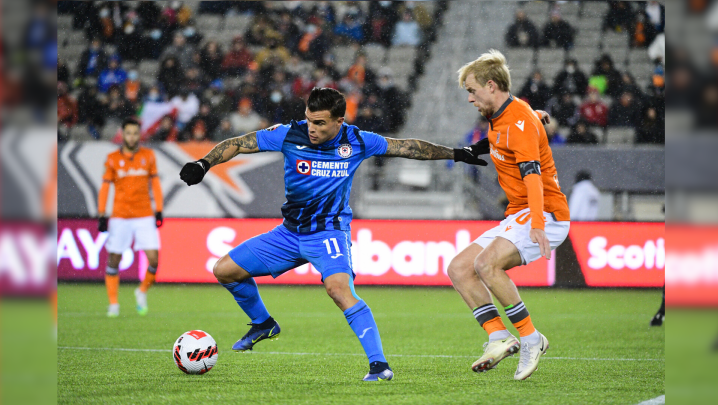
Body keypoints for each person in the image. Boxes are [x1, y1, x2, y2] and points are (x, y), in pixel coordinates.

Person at [178, 87, 488, 381]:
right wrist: (204, 163)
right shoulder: (289, 133)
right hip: (289, 234)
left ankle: (379, 365)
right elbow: (239, 142)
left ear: (340, 121)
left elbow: (408, 147)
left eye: (320, 123)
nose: (311, 128)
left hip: (328, 234)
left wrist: (456, 154)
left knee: (339, 290)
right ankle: (263, 324)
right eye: (309, 120)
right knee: (225, 270)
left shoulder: (357, 140)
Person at [450, 50, 570, 380]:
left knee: (486, 264)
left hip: (545, 213)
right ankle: (499, 337)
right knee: (459, 268)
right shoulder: (505, 115)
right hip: (518, 213)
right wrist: (535, 115)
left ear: (491, 86)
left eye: (472, 91)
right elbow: (511, 127)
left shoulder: (520, 122)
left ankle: (531, 339)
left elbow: (532, 175)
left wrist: (537, 224)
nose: (470, 98)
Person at [98, 118, 164, 317]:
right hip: (120, 216)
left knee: (154, 260)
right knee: (114, 259)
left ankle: (141, 291)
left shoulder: (149, 156)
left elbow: (155, 183)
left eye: (135, 133)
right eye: (128, 133)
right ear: (122, 134)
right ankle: (113, 304)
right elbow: (105, 187)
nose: (132, 137)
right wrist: (101, 213)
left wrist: (159, 209)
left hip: (144, 215)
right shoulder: (112, 159)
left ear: (139, 135)